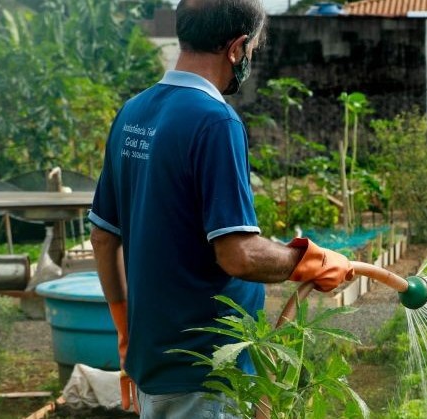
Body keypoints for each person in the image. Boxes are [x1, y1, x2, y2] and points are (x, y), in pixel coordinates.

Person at [88, 0, 353, 417]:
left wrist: (126, 334)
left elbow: (103, 237)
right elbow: (239, 255)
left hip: (152, 365)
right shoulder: (215, 122)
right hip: (208, 374)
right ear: (237, 47)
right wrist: (309, 260)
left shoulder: (133, 112)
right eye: (253, 48)